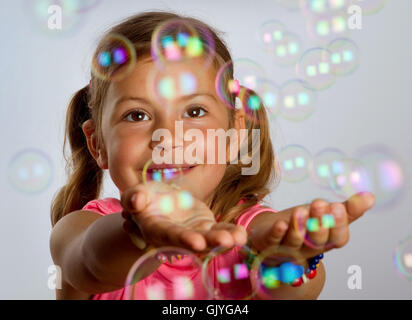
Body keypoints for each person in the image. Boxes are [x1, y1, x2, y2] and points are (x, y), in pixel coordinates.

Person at [49, 11, 375, 300]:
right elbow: (88, 262)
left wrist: (282, 256)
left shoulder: (248, 231)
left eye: (194, 110)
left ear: (234, 134)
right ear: (97, 144)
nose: (170, 136)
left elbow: (294, 290)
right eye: (137, 115)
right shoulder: (82, 229)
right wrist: (140, 235)